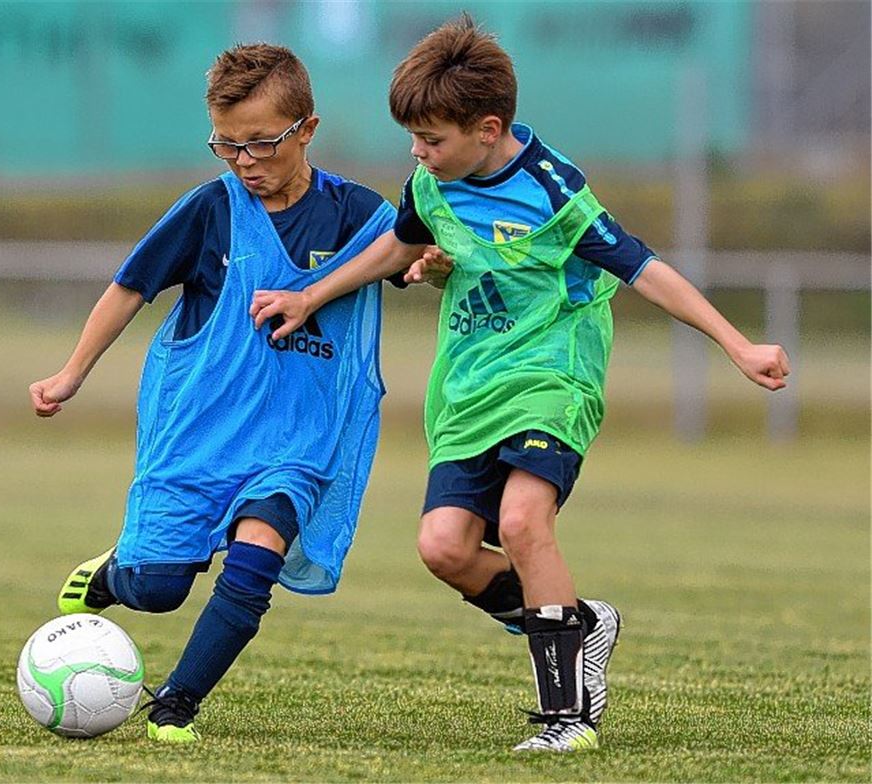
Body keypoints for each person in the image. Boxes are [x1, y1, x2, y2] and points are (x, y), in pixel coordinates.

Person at [250, 15, 790, 754]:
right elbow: (398, 246)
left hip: (552, 375)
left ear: (488, 128)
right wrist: (311, 295)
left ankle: (568, 717)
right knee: (443, 547)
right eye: (413, 139)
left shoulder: (552, 190)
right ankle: (580, 622)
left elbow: (644, 268)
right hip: (470, 387)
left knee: (524, 522)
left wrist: (737, 343)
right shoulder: (430, 183)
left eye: (431, 140)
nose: (417, 153)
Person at [29, 43, 400, 744]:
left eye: (261, 143)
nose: (244, 160)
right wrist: (72, 371)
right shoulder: (210, 211)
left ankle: (175, 705)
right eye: (226, 145)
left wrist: (429, 266)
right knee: (161, 588)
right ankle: (116, 574)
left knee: (256, 559)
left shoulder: (358, 215)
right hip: (197, 437)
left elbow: (410, 259)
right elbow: (129, 287)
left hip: (296, 440)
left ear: (307, 130)